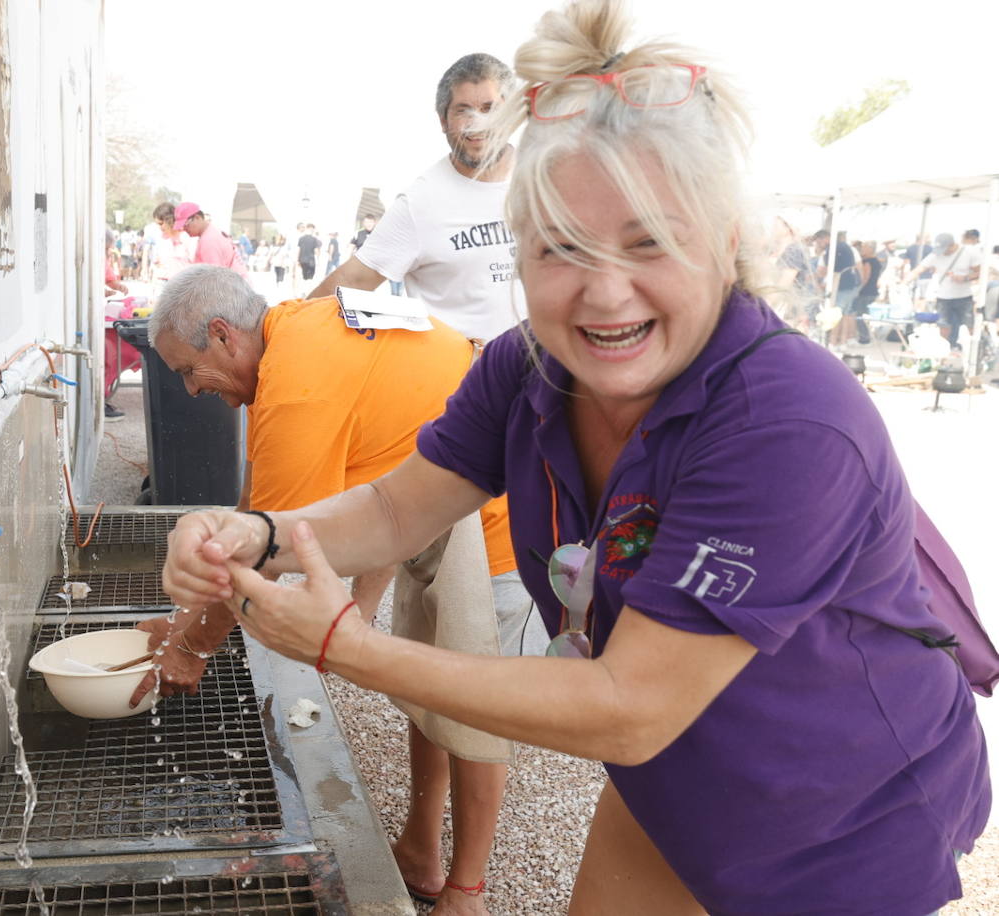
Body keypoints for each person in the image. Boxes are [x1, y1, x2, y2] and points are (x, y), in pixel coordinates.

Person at [157, 3, 991, 914]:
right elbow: (397, 511)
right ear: (516, 251)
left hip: (839, 817)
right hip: (677, 782)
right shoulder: (526, 367)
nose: (602, 292)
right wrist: (257, 530)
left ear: (723, 243)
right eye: (559, 246)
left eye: (650, 241)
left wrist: (343, 647)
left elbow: (630, 706)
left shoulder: (788, 422)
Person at [135, 265, 530, 913]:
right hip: (421, 507)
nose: (189, 389)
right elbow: (260, 508)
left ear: (223, 335)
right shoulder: (294, 333)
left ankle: (468, 891)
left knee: (473, 705)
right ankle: (422, 852)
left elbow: (264, 557)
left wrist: (192, 647)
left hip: (488, 515)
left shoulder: (296, 385)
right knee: (426, 686)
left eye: (187, 370)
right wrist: (187, 624)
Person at [310, 53, 517, 342]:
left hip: (552, 378)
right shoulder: (422, 202)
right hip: (466, 380)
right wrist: (281, 333)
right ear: (443, 120)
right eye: (463, 110)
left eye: (489, 108)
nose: (477, 122)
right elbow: (351, 281)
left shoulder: (548, 179)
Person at [908, 231, 984, 349]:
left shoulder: (968, 252)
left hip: (964, 296)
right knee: (943, 326)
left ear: (952, 245)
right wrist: (903, 282)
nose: (942, 252)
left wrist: (965, 278)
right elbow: (919, 269)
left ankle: (974, 351)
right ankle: (944, 350)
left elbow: (980, 272)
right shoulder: (935, 255)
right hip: (943, 296)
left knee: (969, 325)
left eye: (944, 248)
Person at [175, 201, 248, 277]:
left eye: (185, 224)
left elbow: (215, 278)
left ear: (197, 217)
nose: (184, 229)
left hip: (232, 285)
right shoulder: (211, 231)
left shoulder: (209, 241)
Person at [296, 224, 320, 292]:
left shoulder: (301, 238)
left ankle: (303, 291)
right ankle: (307, 291)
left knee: (304, 276)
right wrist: (318, 260)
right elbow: (316, 250)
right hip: (311, 260)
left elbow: (299, 250)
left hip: (302, 260)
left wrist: (297, 260)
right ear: (312, 229)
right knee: (310, 277)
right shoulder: (314, 239)